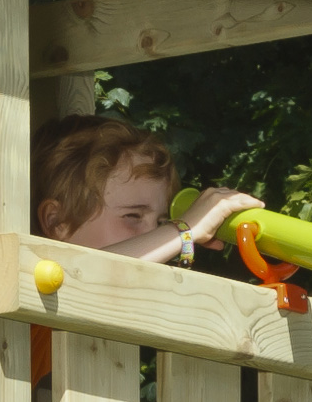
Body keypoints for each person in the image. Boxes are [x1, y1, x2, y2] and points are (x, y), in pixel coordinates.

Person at [30, 114, 265, 387]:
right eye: (132, 216)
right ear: (57, 222)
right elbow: (80, 278)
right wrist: (183, 230)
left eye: (160, 222)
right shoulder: (36, 304)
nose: (154, 235)